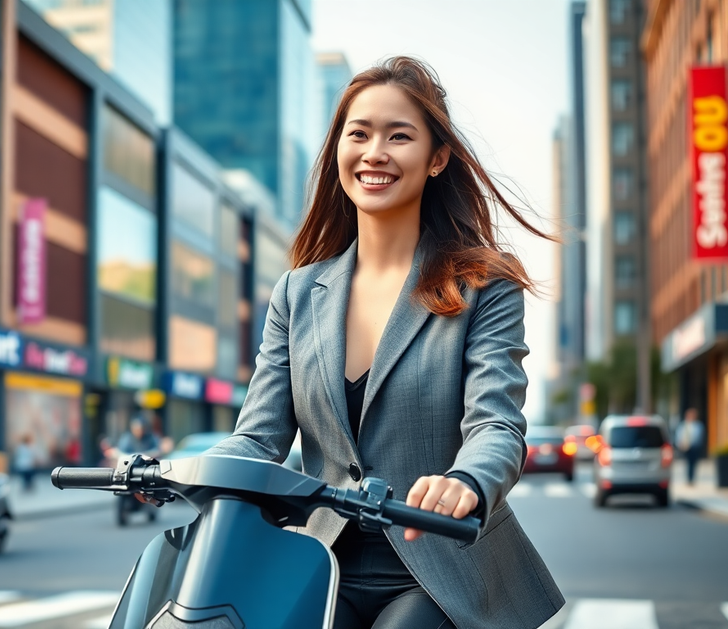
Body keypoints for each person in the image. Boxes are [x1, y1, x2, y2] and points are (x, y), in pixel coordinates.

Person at [201, 57, 563, 628]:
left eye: (399, 136)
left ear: (436, 158)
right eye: (359, 133)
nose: (375, 152)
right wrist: (188, 473)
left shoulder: (484, 283)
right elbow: (259, 436)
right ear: (338, 151)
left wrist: (466, 481)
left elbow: (496, 424)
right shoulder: (297, 293)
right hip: (319, 560)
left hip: (442, 562)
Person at [675, 408, 705, 486]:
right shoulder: (683, 425)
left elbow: (699, 437)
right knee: (688, 463)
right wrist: (680, 444)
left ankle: (692, 479)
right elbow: (679, 436)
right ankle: (689, 479)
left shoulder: (698, 425)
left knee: (694, 463)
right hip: (686, 447)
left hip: (695, 447)